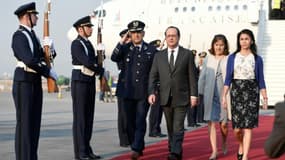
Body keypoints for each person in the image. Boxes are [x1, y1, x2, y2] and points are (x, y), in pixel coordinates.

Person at [11, 2, 58, 160]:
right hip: (24, 82)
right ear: (26, 17)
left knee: (34, 125)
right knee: (25, 125)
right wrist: (47, 72)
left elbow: (43, 57)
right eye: (34, 15)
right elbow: (30, 60)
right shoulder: (19, 36)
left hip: (34, 81)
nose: (37, 17)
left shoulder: (33, 36)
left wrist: (50, 48)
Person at [148, 26, 198, 160]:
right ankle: (174, 149)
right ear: (165, 37)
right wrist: (152, 92)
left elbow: (192, 76)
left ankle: (175, 152)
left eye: (173, 35)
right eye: (168, 35)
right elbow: (153, 75)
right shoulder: (159, 56)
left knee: (178, 126)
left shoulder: (187, 54)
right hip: (165, 97)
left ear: (178, 37)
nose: (171, 37)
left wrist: (194, 95)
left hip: (182, 96)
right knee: (170, 126)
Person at [111, 20, 157, 160]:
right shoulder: (125, 48)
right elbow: (114, 57)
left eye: (139, 32)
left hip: (143, 92)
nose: (136, 35)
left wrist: (153, 91)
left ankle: (136, 147)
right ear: (130, 34)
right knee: (128, 121)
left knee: (140, 119)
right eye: (134, 33)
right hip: (127, 91)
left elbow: (155, 73)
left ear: (143, 33)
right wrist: (122, 41)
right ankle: (137, 143)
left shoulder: (151, 50)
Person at [222, 29, 268, 160]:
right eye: (241, 39)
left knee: (248, 127)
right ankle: (241, 145)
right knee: (237, 128)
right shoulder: (232, 57)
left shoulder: (257, 58)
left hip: (252, 92)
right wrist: (224, 96)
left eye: (246, 39)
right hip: (236, 91)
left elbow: (261, 79)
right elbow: (228, 79)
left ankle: (245, 156)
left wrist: (265, 98)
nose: (244, 41)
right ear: (238, 41)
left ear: (251, 41)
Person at [71, 16, 103, 160]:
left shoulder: (88, 43)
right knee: (81, 119)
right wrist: (98, 68)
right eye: (88, 27)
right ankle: (81, 152)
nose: (91, 29)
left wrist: (100, 55)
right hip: (80, 82)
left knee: (88, 118)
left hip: (89, 81)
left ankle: (87, 148)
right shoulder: (76, 44)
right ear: (80, 29)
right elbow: (86, 61)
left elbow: (93, 60)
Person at [198, 34, 230, 160]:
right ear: (213, 45)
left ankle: (224, 141)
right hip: (210, 94)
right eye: (216, 45)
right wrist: (199, 93)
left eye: (221, 45)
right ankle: (214, 151)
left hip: (224, 95)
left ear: (225, 46)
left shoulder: (229, 58)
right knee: (211, 122)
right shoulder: (208, 59)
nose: (218, 47)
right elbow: (202, 77)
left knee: (224, 124)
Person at [148, 39, 167, 138]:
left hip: (161, 87)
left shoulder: (158, 57)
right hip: (155, 87)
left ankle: (157, 129)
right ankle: (153, 130)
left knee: (159, 110)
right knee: (155, 110)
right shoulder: (152, 57)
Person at [115, 28, 130, 147]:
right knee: (123, 114)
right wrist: (121, 42)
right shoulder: (121, 50)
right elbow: (115, 56)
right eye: (127, 38)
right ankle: (124, 139)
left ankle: (132, 137)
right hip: (124, 85)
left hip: (134, 86)